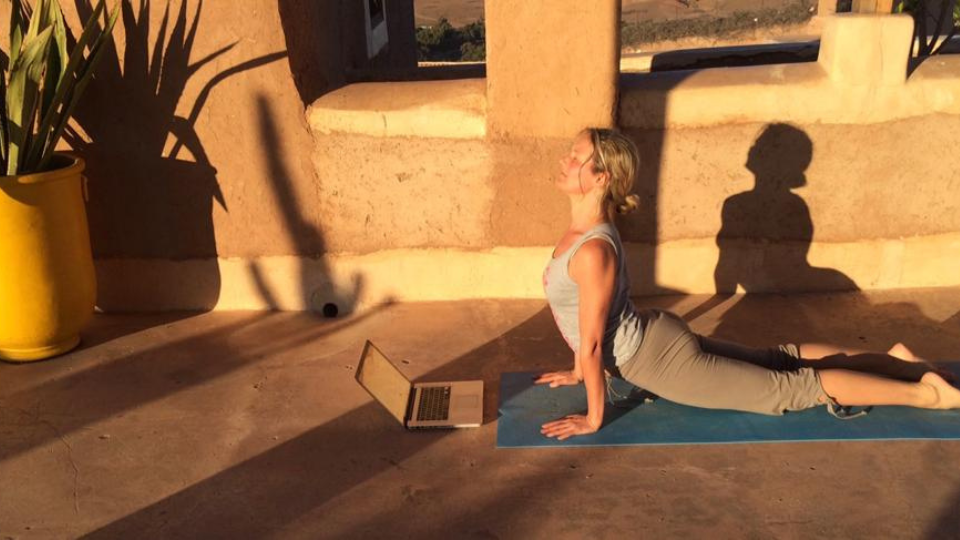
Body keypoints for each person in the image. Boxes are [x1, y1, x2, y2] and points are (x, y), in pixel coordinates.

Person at [535, 127, 960, 441]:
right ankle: (902, 364)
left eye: (575, 155)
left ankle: (928, 395)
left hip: (656, 360)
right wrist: (577, 371)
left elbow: (592, 341)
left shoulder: (592, 249)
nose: (565, 160)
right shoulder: (586, 232)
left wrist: (593, 417)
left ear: (602, 177)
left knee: (789, 388)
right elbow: (586, 316)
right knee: (780, 359)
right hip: (655, 337)